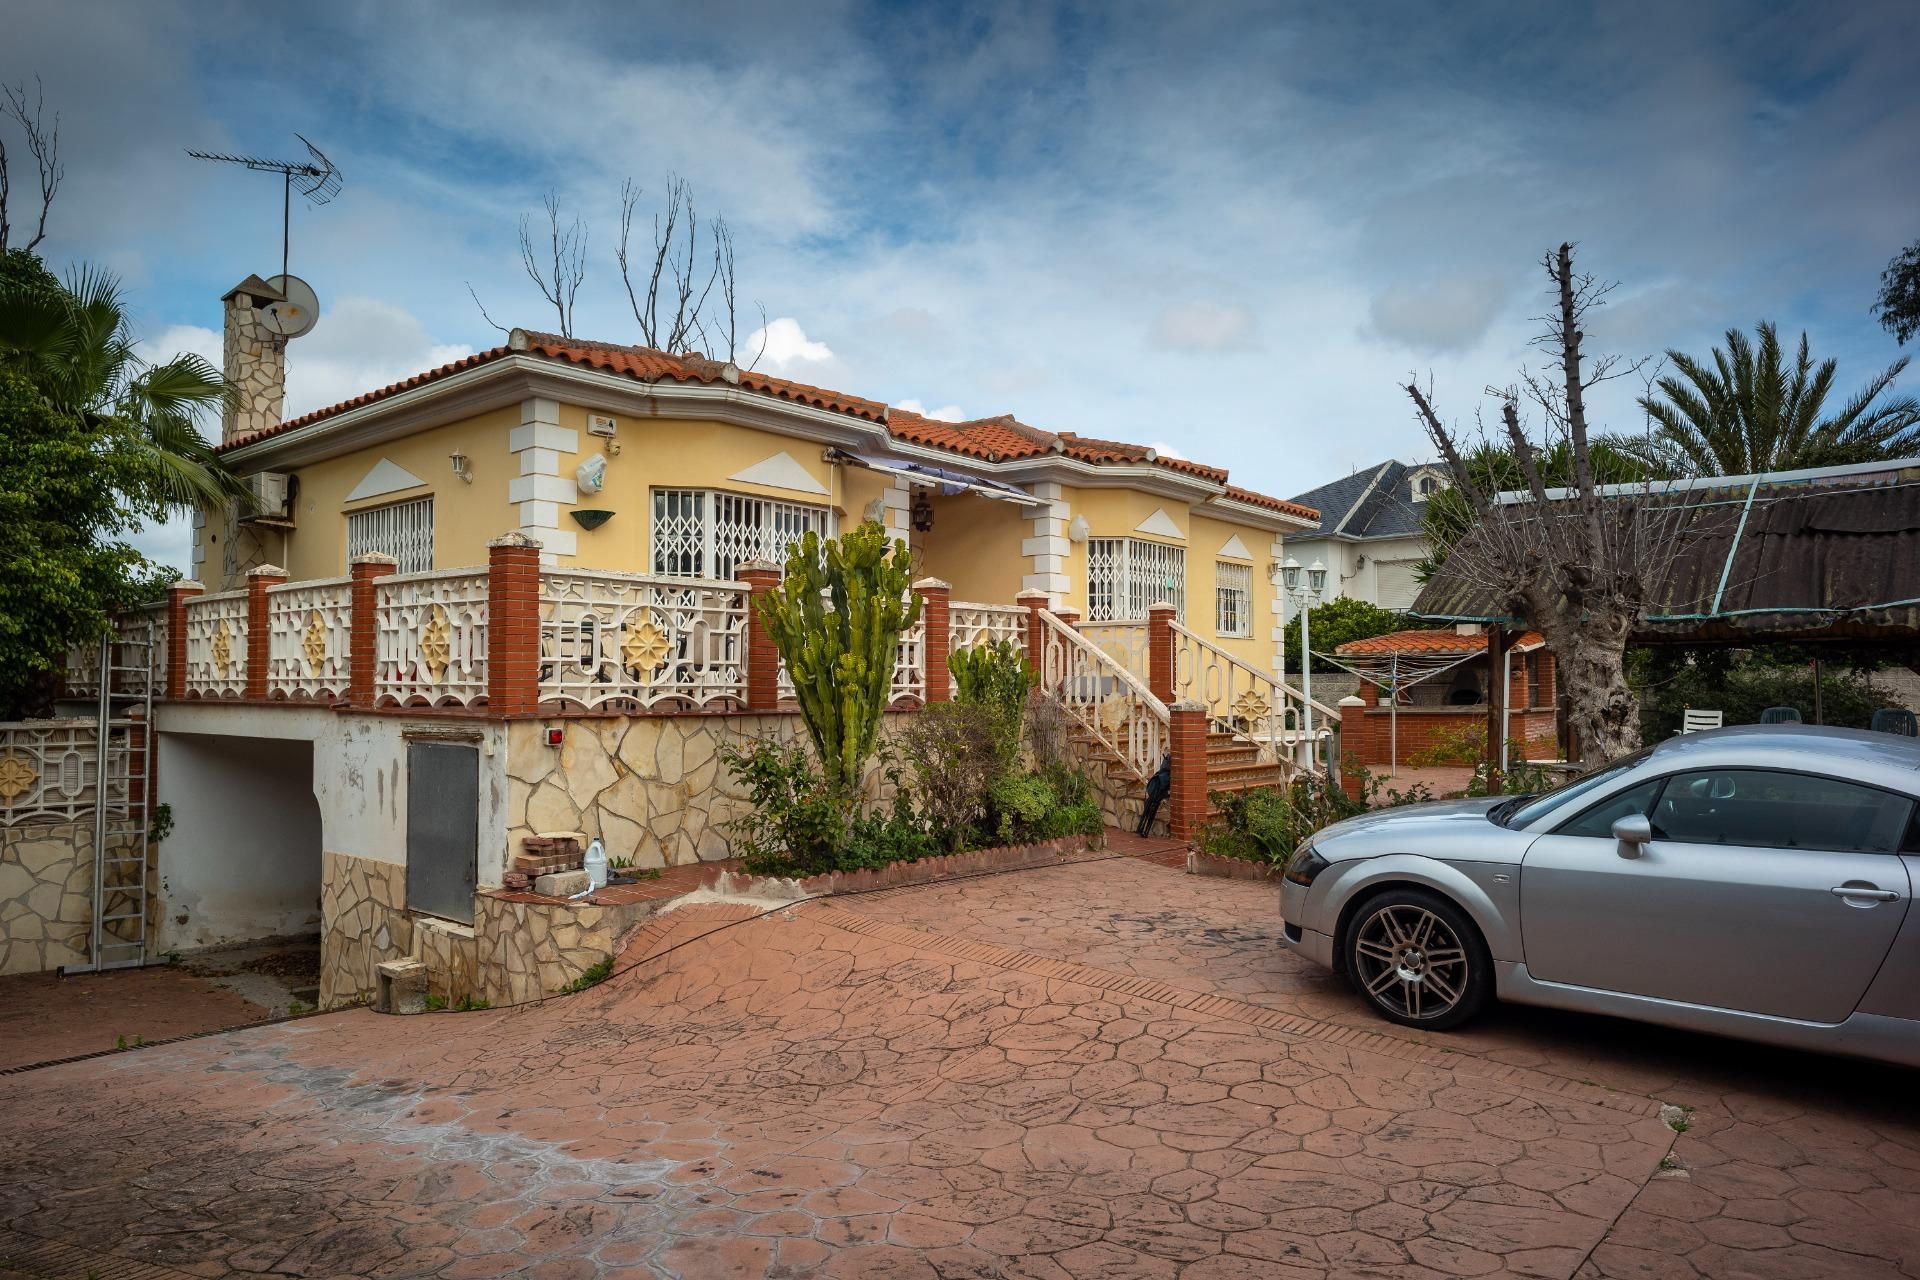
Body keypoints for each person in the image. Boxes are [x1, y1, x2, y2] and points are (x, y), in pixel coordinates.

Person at [1137, 751, 1173, 836]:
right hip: (1160, 783)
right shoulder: (1168, 760)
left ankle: (1143, 829)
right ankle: (1143, 829)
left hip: (1160, 783)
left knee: (1152, 803)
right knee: (1152, 803)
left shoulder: (1168, 760)